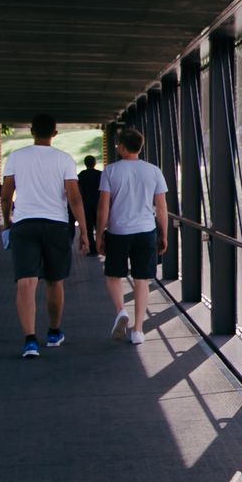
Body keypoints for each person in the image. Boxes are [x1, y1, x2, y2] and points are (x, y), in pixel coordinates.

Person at [0, 114, 91, 358]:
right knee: (54, 280)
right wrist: (83, 230)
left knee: (26, 282)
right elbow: (74, 197)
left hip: (24, 224)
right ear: (55, 133)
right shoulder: (64, 160)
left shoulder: (16, 157)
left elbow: (6, 195)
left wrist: (7, 223)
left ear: (31, 131)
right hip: (56, 225)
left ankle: (30, 341)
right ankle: (53, 332)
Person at [93, 126, 169, 346]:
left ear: (123, 148)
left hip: (118, 231)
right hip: (146, 231)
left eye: (118, 144)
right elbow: (161, 207)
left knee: (114, 275)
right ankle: (138, 330)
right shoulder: (153, 171)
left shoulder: (110, 171)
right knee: (141, 280)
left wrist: (99, 234)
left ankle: (120, 311)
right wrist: (164, 233)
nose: (116, 147)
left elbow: (103, 207)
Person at [77, 155, 103, 257]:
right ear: (95, 163)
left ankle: (92, 249)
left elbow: (79, 190)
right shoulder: (100, 174)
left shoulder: (81, 175)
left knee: (88, 228)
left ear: (85, 163)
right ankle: (100, 246)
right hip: (98, 203)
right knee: (99, 227)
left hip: (86, 204)